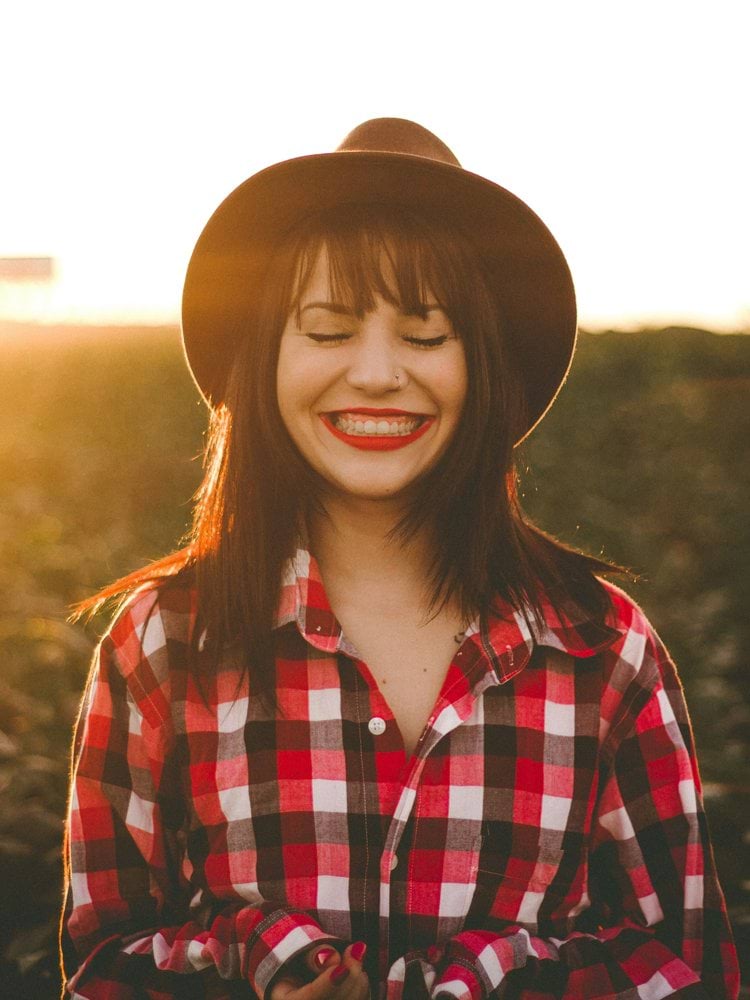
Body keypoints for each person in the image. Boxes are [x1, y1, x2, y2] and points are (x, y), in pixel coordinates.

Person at [60, 118, 739, 999]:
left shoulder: (603, 648)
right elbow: (103, 963)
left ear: (484, 365)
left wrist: (477, 983)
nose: (378, 374)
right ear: (265, 360)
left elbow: (686, 967)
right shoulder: (164, 641)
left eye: (426, 336)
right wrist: (257, 964)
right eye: (328, 331)